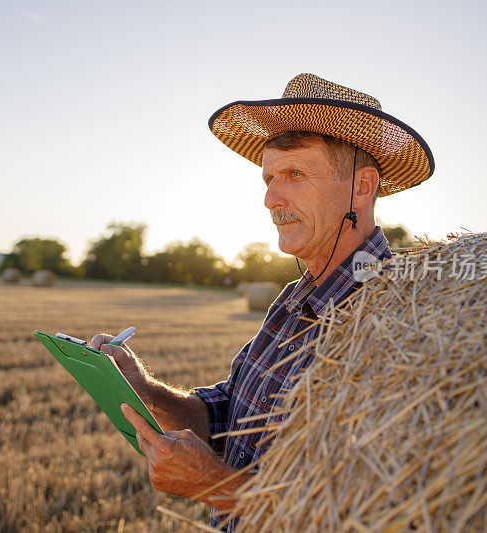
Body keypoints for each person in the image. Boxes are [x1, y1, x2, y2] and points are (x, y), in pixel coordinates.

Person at [89, 73, 434, 531]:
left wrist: (219, 487)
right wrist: (142, 387)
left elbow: (375, 513)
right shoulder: (290, 302)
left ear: (361, 187)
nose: (271, 198)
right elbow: (228, 411)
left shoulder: (403, 321)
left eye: (295, 174)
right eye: (269, 177)